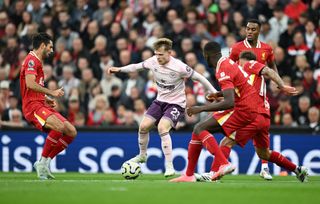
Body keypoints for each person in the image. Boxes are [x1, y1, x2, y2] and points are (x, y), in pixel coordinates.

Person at [190, 46, 308, 183]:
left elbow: (268, 70)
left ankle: (212, 174)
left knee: (227, 141)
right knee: (264, 153)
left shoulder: (248, 65)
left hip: (253, 113)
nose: (237, 64)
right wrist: (218, 94)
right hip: (263, 115)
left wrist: (282, 86)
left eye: (238, 61)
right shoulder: (245, 76)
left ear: (243, 60)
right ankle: (297, 169)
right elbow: (239, 91)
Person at [108, 38, 217, 177]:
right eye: (156, 54)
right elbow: (136, 66)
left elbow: (200, 78)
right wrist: (119, 69)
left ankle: (170, 166)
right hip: (160, 101)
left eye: (161, 55)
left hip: (176, 103)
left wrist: (214, 91)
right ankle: (142, 156)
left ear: (169, 53)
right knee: (143, 127)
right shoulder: (153, 61)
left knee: (162, 127)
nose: (158, 57)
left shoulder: (179, 67)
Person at [170, 42, 265, 182]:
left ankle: (224, 164)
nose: (205, 59)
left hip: (243, 108)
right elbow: (237, 89)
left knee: (199, 127)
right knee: (198, 131)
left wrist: (200, 108)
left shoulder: (223, 68)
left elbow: (229, 102)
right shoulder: (227, 63)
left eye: (205, 56)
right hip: (247, 105)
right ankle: (189, 175)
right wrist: (218, 95)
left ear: (209, 56)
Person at [20, 33, 77, 180]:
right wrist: (52, 92)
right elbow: (30, 84)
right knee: (58, 127)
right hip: (32, 107)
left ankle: (45, 162)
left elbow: (34, 87)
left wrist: (46, 98)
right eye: (50, 47)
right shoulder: (31, 60)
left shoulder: (37, 61)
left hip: (40, 103)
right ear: (43, 45)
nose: (52, 50)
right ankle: (42, 162)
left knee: (71, 131)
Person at [229, 19, 277, 180]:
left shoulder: (266, 48)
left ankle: (264, 167)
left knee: (262, 131)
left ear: (259, 31)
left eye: (253, 29)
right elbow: (229, 68)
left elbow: (272, 66)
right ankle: (221, 164)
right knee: (235, 133)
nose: (249, 31)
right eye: (247, 28)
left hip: (260, 95)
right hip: (243, 96)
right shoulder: (237, 48)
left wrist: (277, 82)